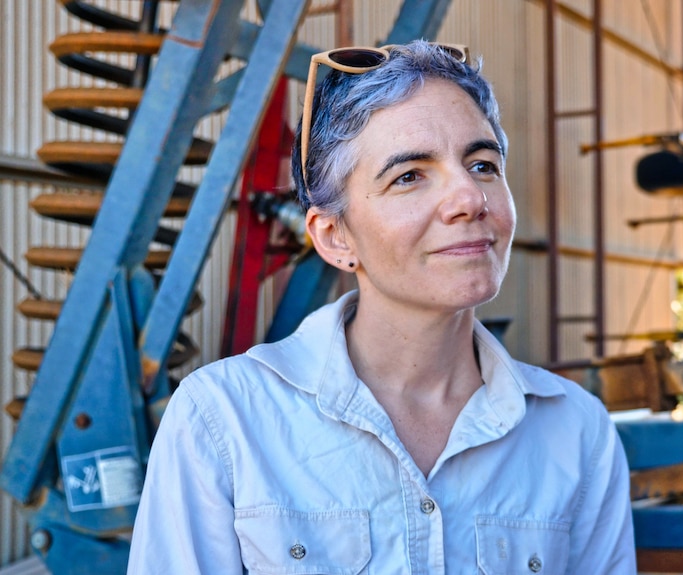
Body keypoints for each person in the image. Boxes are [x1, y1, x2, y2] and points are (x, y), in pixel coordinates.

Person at [127, 39, 635, 574]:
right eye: (409, 176)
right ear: (334, 237)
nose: (469, 198)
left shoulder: (574, 431)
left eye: (483, 165)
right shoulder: (224, 421)